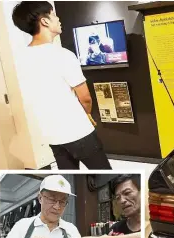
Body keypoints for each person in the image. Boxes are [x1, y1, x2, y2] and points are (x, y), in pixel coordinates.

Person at [12, 1, 112, 169]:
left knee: (70, 178)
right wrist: (87, 114)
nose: (58, 19)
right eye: (53, 14)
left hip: (52, 135)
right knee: (106, 178)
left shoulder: (20, 58)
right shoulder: (63, 55)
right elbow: (85, 98)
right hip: (78, 131)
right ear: (44, 21)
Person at [0, 175, 87, 238]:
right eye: (52, 199)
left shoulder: (71, 228)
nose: (57, 207)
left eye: (62, 201)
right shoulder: (23, 225)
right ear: (40, 198)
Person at [66, 175, 141, 238]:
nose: (122, 200)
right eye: (118, 197)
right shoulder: (116, 229)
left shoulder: (154, 223)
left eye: (127, 193)